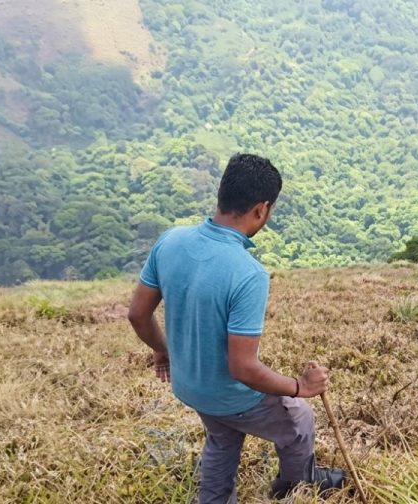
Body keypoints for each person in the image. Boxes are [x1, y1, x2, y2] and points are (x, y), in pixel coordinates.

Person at [127, 154, 344, 503]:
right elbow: (242, 368)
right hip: (230, 396)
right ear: (262, 210)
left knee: (222, 435)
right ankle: (295, 484)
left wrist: (164, 349)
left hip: (191, 387)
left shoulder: (170, 241)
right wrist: (299, 386)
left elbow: (138, 315)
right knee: (298, 419)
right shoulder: (248, 273)